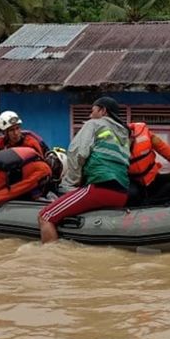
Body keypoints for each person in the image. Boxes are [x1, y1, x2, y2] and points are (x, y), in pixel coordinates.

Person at [38, 97, 130, 244]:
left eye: (92, 111)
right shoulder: (124, 134)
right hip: (122, 193)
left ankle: (50, 262)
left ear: (103, 110)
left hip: (100, 189)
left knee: (45, 216)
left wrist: (69, 184)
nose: (90, 115)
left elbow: (78, 153)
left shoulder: (94, 124)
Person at [127, 122, 170, 206]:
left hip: (153, 179)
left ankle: (152, 201)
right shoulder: (112, 144)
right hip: (132, 183)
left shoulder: (146, 135)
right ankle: (150, 201)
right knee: (132, 195)